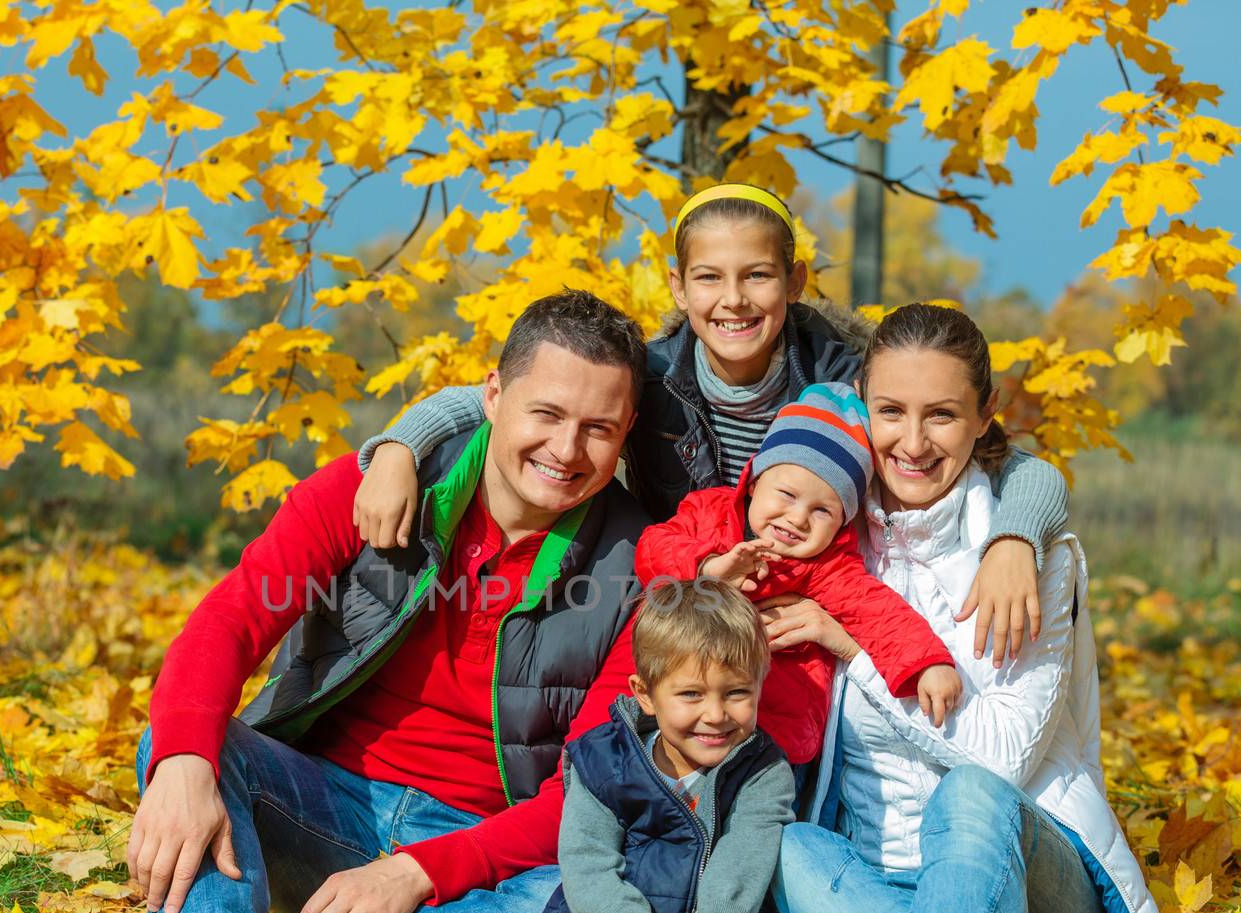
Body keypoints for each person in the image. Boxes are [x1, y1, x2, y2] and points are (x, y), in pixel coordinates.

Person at [116, 290, 657, 913]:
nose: (566, 450)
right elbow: (230, 621)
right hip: (321, 800)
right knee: (182, 742)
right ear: (492, 395)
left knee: (580, 899)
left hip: (476, 849)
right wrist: (186, 763)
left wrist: (415, 873)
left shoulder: (638, 565)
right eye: (548, 414)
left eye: (598, 429)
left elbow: (585, 790)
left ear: (625, 435)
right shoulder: (375, 487)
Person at [353, 183, 1068, 668]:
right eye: (709, 279)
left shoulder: (847, 374)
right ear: (677, 287)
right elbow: (501, 400)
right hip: (681, 585)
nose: (733, 300)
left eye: (757, 276)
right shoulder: (654, 371)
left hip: (814, 603)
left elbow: (1008, 457)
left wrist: (1013, 536)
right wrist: (396, 449)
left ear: (793, 282)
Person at [763, 304, 1166, 913]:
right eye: (891, 412)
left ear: (985, 418)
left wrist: (856, 645)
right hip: (875, 868)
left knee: (970, 795)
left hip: (1022, 866)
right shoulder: (833, 534)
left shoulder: (1029, 555)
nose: (912, 443)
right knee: (782, 845)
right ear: (862, 408)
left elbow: (1001, 763)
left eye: (942, 415)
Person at [406, 578, 866, 913]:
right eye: (690, 694)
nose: (715, 714)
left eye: (736, 693)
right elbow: (588, 862)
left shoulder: (762, 769)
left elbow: (744, 854)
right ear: (645, 694)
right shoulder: (605, 762)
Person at [635, 382, 963, 767]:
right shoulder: (711, 513)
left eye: (822, 510)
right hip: (683, 691)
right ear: (755, 482)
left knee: (761, 765)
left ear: (843, 521)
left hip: (772, 715)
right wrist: (708, 568)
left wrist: (926, 663)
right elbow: (653, 548)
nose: (797, 518)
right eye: (787, 496)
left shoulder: (826, 566)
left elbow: (877, 612)